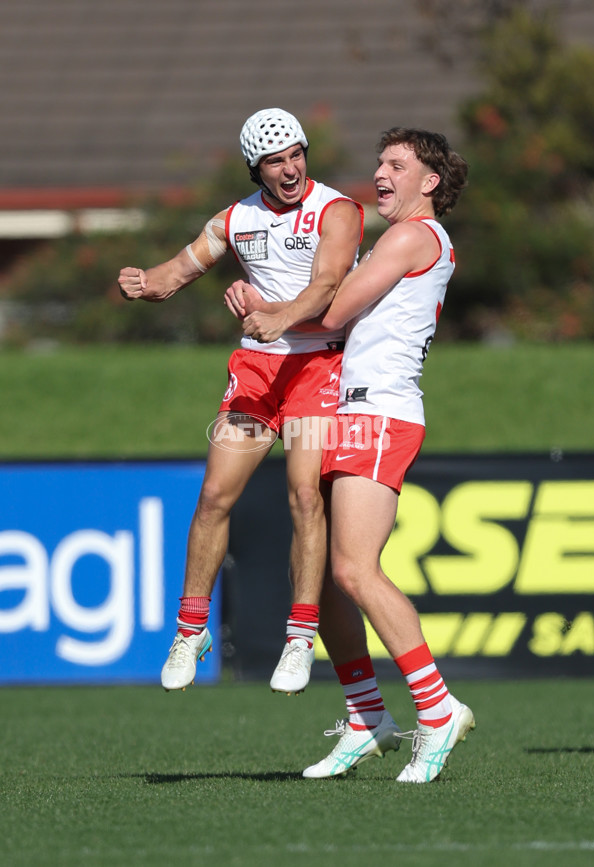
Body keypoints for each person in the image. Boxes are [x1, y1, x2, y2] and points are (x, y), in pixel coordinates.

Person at [118, 109, 394, 725]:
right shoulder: (234, 220)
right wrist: (141, 281)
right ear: (256, 168)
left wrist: (274, 314)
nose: (291, 168)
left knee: (303, 495)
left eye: (297, 154)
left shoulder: (336, 210)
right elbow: (177, 274)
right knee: (215, 494)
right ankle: (191, 630)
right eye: (276, 161)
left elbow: (326, 286)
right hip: (258, 372)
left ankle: (299, 638)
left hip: (318, 368)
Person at [241, 127, 474, 783]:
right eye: (379, 162)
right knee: (318, 569)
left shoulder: (411, 236)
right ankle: (367, 715)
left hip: (381, 412)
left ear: (429, 181)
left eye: (396, 164)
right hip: (351, 410)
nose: (380, 172)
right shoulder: (396, 238)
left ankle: (436, 706)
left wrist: (273, 308)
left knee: (354, 569)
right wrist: (286, 304)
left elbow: (335, 308)